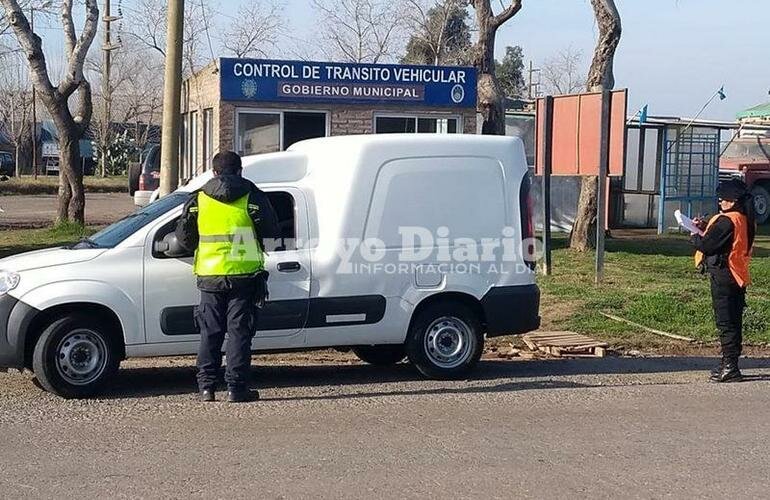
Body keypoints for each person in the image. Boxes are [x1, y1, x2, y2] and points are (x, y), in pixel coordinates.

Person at [176, 151, 279, 402]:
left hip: (210, 276)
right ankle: (236, 388)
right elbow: (272, 232)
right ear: (240, 171)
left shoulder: (198, 199)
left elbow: (184, 238)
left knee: (210, 332)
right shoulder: (252, 196)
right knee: (239, 333)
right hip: (244, 277)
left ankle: (206, 388)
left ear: (214, 172)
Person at [691, 178, 755, 383]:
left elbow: (709, 245)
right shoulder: (744, 218)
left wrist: (694, 234)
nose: (720, 202)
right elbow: (722, 238)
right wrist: (705, 226)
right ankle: (730, 363)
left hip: (724, 275)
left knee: (726, 322)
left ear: (734, 200)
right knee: (734, 321)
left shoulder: (727, 220)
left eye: (724, 199)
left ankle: (730, 367)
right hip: (737, 274)